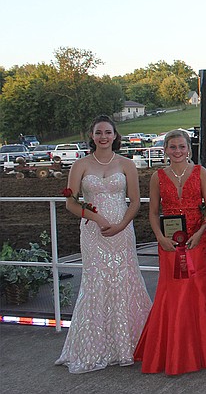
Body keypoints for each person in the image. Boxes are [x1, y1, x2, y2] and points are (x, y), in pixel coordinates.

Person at [133, 129, 206, 374]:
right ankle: (174, 352)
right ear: (165, 150)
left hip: (195, 241)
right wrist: (160, 238)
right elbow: (152, 212)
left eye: (181, 147)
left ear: (189, 149)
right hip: (168, 243)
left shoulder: (201, 172)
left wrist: (200, 233)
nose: (177, 151)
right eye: (172, 147)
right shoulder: (158, 176)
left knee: (200, 291)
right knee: (172, 292)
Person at [55, 115, 152, 374]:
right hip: (92, 232)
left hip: (122, 231)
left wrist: (121, 225)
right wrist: (96, 218)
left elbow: (135, 201)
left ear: (115, 135)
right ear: (92, 136)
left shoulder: (127, 164)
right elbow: (71, 202)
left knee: (125, 280)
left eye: (108, 132)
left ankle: (128, 345)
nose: (103, 137)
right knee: (96, 282)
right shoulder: (80, 164)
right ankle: (95, 346)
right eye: (99, 132)